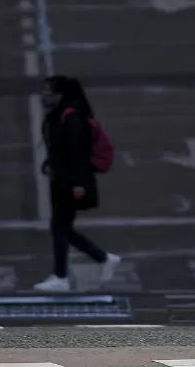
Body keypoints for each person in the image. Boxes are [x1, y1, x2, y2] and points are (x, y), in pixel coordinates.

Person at [34, 75, 122, 292]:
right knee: (62, 228)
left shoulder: (71, 117)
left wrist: (79, 183)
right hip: (63, 179)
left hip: (71, 182)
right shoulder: (60, 114)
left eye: (49, 91)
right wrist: (49, 163)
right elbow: (61, 149)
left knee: (60, 228)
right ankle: (103, 259)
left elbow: (78, 153)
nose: (45, 94)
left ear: (61, 93)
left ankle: (62, 276)